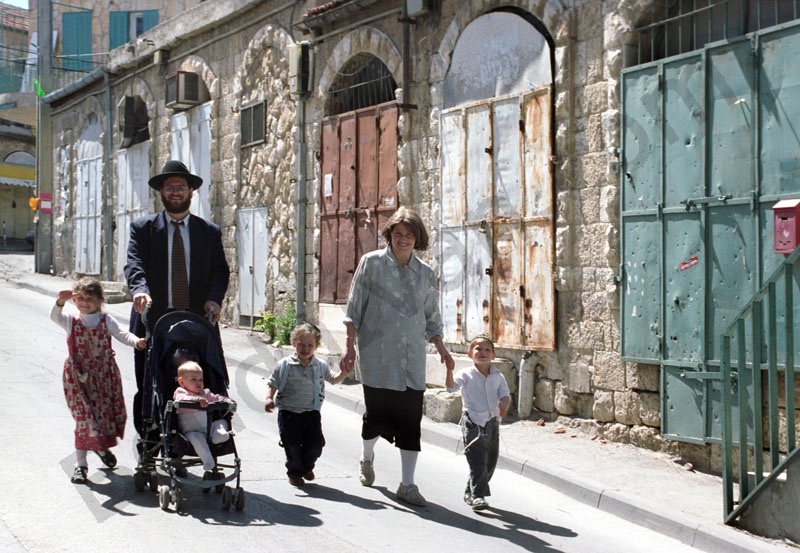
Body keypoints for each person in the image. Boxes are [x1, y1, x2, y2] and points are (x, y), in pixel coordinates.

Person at [339, 206, 455, 507]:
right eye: (398, 234)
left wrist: (441, 347)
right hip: (377, 358)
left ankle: (407, 484)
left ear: (418, 239)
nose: (403, 240)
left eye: (409, 235)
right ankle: (367, 457)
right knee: (374, 418)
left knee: (410, 421)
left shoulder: (425, 274)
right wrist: (349, 346)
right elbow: (354, 309)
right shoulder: (371, 264)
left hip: (411, 361)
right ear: (389, 235)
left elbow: (432, 317)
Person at [125, 160, 230, 438]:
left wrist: (214, 300)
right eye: (169, 187)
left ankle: (196, 438)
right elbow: (134, 263)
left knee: (200, 380)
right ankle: (149, 440)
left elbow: (220, 271)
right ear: (161, 192)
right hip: (153, 318)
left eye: (180, 187)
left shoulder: (208, 232)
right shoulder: (142, 228)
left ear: (191, 192)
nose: (175, 192)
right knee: (149, 382)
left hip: (196, 320)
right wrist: (140, 289)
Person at [50, 277, 146, 484]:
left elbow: (122, 334)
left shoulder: (106, 320)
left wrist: (137, 342)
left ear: (100, 300)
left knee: (100, 418)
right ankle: (81, 466)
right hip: (78, 377)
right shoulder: (71, 320)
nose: (85, 302)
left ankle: (101, 448)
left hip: (103, 377)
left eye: (90, 299)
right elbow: (55, 317)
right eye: (81, 298)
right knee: (84, 420)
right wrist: (59, 302)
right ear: (74, 299)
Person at [264, 323, 350, 487]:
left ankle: (307, 467)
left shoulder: (320, 365)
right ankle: (295, 473)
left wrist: (344, 373)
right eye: (301, 344)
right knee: (293, 446)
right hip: (289, 414)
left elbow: (334, 379)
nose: (305, 348)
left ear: (316, 346)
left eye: (310, 345)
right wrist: (269, 398)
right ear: (294, 343)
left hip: (311, 413)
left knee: (316, 445)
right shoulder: (285, 365)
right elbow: (273, 383)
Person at [446, 335, 511, 511]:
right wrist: (449, 371)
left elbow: (505, 395)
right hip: (472, 422)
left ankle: (471, 490)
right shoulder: (466, 374)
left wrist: (504, 405)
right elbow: (451, 388)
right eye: (478, 349)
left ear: (493, 355)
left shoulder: (498, 376)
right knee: (477, 461)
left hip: (491, 422)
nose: (483, 353)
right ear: (469, 354)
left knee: (490, 462)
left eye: (487, 350)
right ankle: (477, 496)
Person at [173, 360, 234, 479]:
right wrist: (195, 399)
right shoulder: (181, 392)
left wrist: (227, 401)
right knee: (198, 441)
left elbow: (216, 397)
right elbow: (180, 399)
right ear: (182, 382)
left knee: (222, 422)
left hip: (208, 429)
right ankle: (208, 462)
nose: (198, 383)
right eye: (193, 379)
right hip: (191, 431)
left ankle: (219, 435)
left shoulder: (205, 393)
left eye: (201, 379)